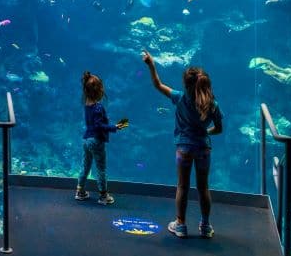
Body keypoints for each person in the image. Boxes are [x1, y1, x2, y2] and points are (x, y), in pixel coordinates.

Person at [142, 50, 223, 239]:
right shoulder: (212, 105)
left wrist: (151, 65)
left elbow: (158, 85)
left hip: (184, 149)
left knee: (182, 186)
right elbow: (219, 128)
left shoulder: (179, 97)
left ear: (186, 85)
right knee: (203, 188)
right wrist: (205, 132)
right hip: (204, 148)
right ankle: (205, 226)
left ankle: (180, 225)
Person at [76, 71, 127, 205]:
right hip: (96, 140)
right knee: (101, 168)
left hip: (86, 139)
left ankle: (80, 191)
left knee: (85, 166)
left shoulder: (87, 104)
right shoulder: (98, 107)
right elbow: (99, 126)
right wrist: (115, 127)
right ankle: (103, 196)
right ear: (99, 90)